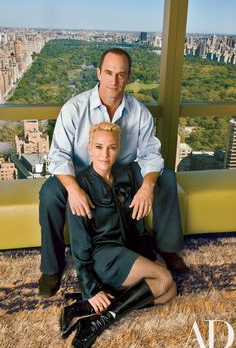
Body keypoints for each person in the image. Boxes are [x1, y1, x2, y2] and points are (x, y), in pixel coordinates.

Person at [39, 47, 188, 298]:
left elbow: (151, 155)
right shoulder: (74, 108)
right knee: (50, 193)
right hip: (80, 172)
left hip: (123, 171)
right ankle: (52, 269)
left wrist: (147, 186)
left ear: (128, 77)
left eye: (121, 74)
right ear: (98, 73)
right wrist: (74, 189)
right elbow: (57, 157)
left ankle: (169, 249)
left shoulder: (139, 112)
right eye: (108, 72)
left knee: (167, 179)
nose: (114, 81)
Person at [62, 122, 177, 348]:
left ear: (118, 149)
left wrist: (148, 256)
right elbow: (79, 243)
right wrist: (90, 288)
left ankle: (88, 312)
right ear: (89, 149)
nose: (105, 154)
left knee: (170, 293)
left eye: (111, 147)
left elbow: (137, 224)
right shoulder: (80, 186)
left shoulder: (126, 176)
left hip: (126, 249)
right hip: (103, 257)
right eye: (99, 147)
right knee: (164, 280)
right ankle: (96, 324)